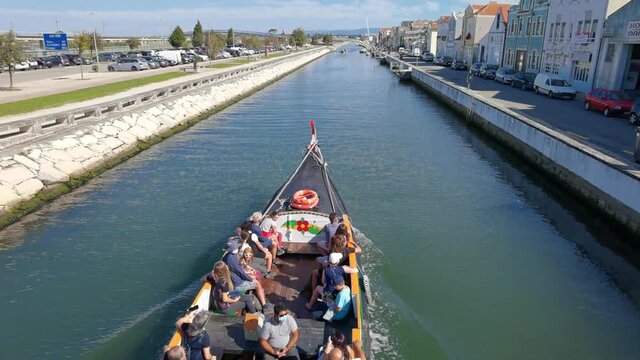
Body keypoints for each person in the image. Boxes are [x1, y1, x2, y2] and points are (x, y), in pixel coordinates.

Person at [222, 242, 267, 308]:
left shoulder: (227, 256)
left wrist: (248, 271)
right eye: (236, 248)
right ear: (234, 250)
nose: (237, 248)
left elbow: (239, 270)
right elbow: (241, 273)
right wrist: (251, 279)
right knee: (257, 283)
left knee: (254, 276)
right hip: (238, 284)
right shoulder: (232, 261)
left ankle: (258, 291)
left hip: (233, 279)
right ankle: (264, 305)